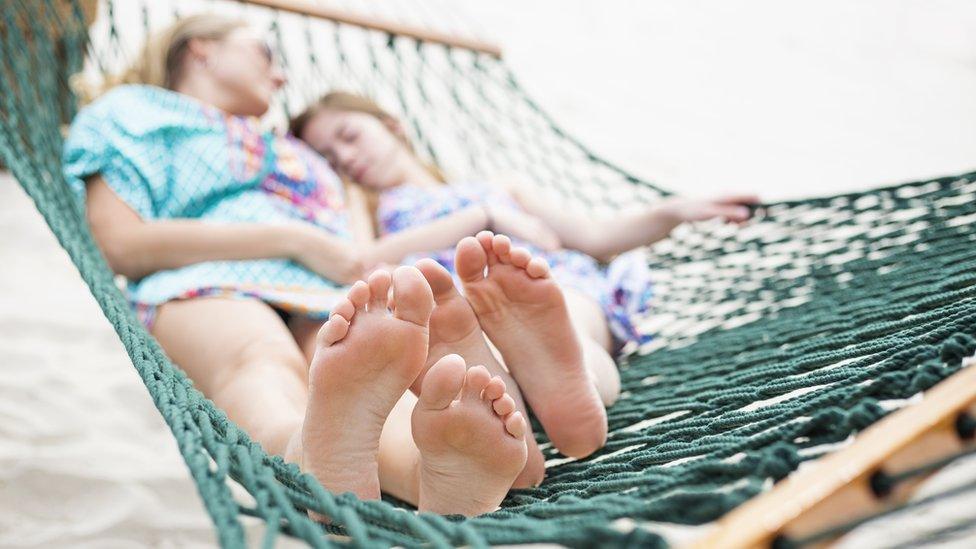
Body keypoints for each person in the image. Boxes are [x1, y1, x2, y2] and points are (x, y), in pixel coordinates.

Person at [62, 14, 539, 517]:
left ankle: (433, 476)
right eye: (267, 53)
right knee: (259, 358)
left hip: (321, 288)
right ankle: (307, 457)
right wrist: (291, 239)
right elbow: (119, 243)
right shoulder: (132, 113)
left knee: (370, 384)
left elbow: (357, 249)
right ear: (201, 49)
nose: (283, 77)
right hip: (203, 276)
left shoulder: (297, 153)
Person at [291, 91, 759, 483]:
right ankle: (544, 383)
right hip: (458, 305)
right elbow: (364, 260)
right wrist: (482, 218)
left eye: (349, 137)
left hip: (543, 280)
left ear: (392, 124)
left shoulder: (503, 186)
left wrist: (672, 212)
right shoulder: (370, 208)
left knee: (563, 319)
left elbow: (593, 237)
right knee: (476, 343)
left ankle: (565, 377)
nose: (347, 159)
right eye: (332, 159)